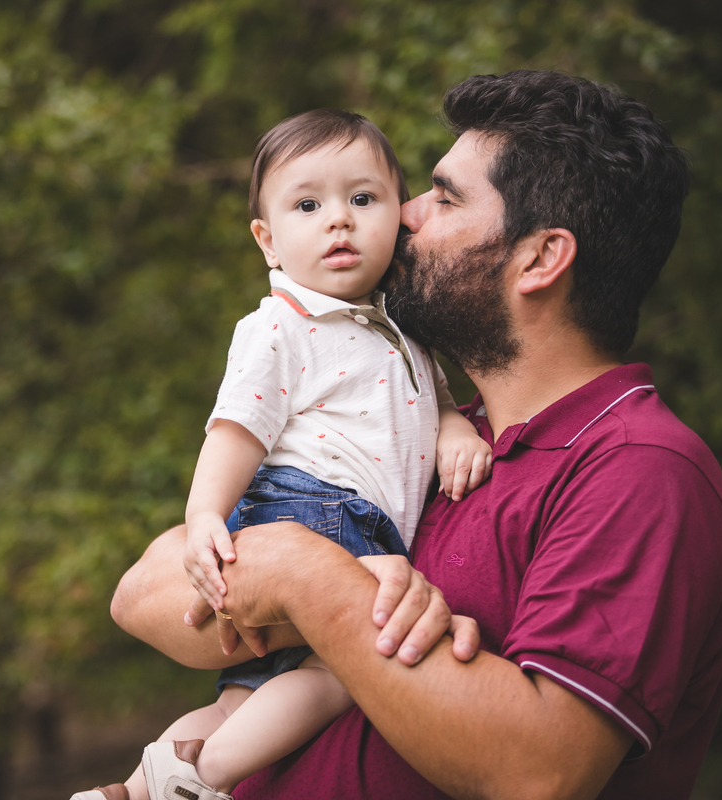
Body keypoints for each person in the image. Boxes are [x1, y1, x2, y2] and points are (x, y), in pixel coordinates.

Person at [109, 70, 722, 800]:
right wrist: (323, 583)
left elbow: (539, 771)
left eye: (444, 197)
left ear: (541, 259)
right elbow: (142, 596)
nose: (404, 213)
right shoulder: (425, 434)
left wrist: (306, 579)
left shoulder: (637, 472)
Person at [72, 110, 491, 800]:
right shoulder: (281, 325)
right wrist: (205, 514)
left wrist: (454, 431)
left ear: (399, 215)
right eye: (308, 205)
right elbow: (237, 427)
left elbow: (433, 404)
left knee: (246, 699)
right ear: (268, 241)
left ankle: (133, 790)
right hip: (318, 513)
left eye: (364, 199)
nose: (339, 221)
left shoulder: (402, 329)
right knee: (339, 680)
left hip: (342, 521)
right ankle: (199, 779)